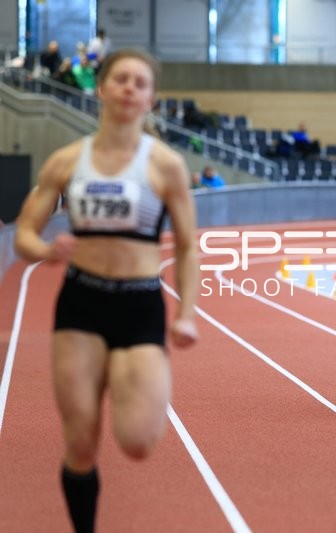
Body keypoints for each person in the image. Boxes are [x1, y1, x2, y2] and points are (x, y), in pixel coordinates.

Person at [13, 49, 199, 533]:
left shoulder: (165, 165)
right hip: (81, 304)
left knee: (138, 441)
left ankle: (135, 373)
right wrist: (47, 248)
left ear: (151, 97)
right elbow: (24, 234)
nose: (129, 88)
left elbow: (186, 245)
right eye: (120, 79)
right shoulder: (67, 160)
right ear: (101, 87)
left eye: (140, 82)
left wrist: (186, 314)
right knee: (79, 442)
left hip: (139, 305)